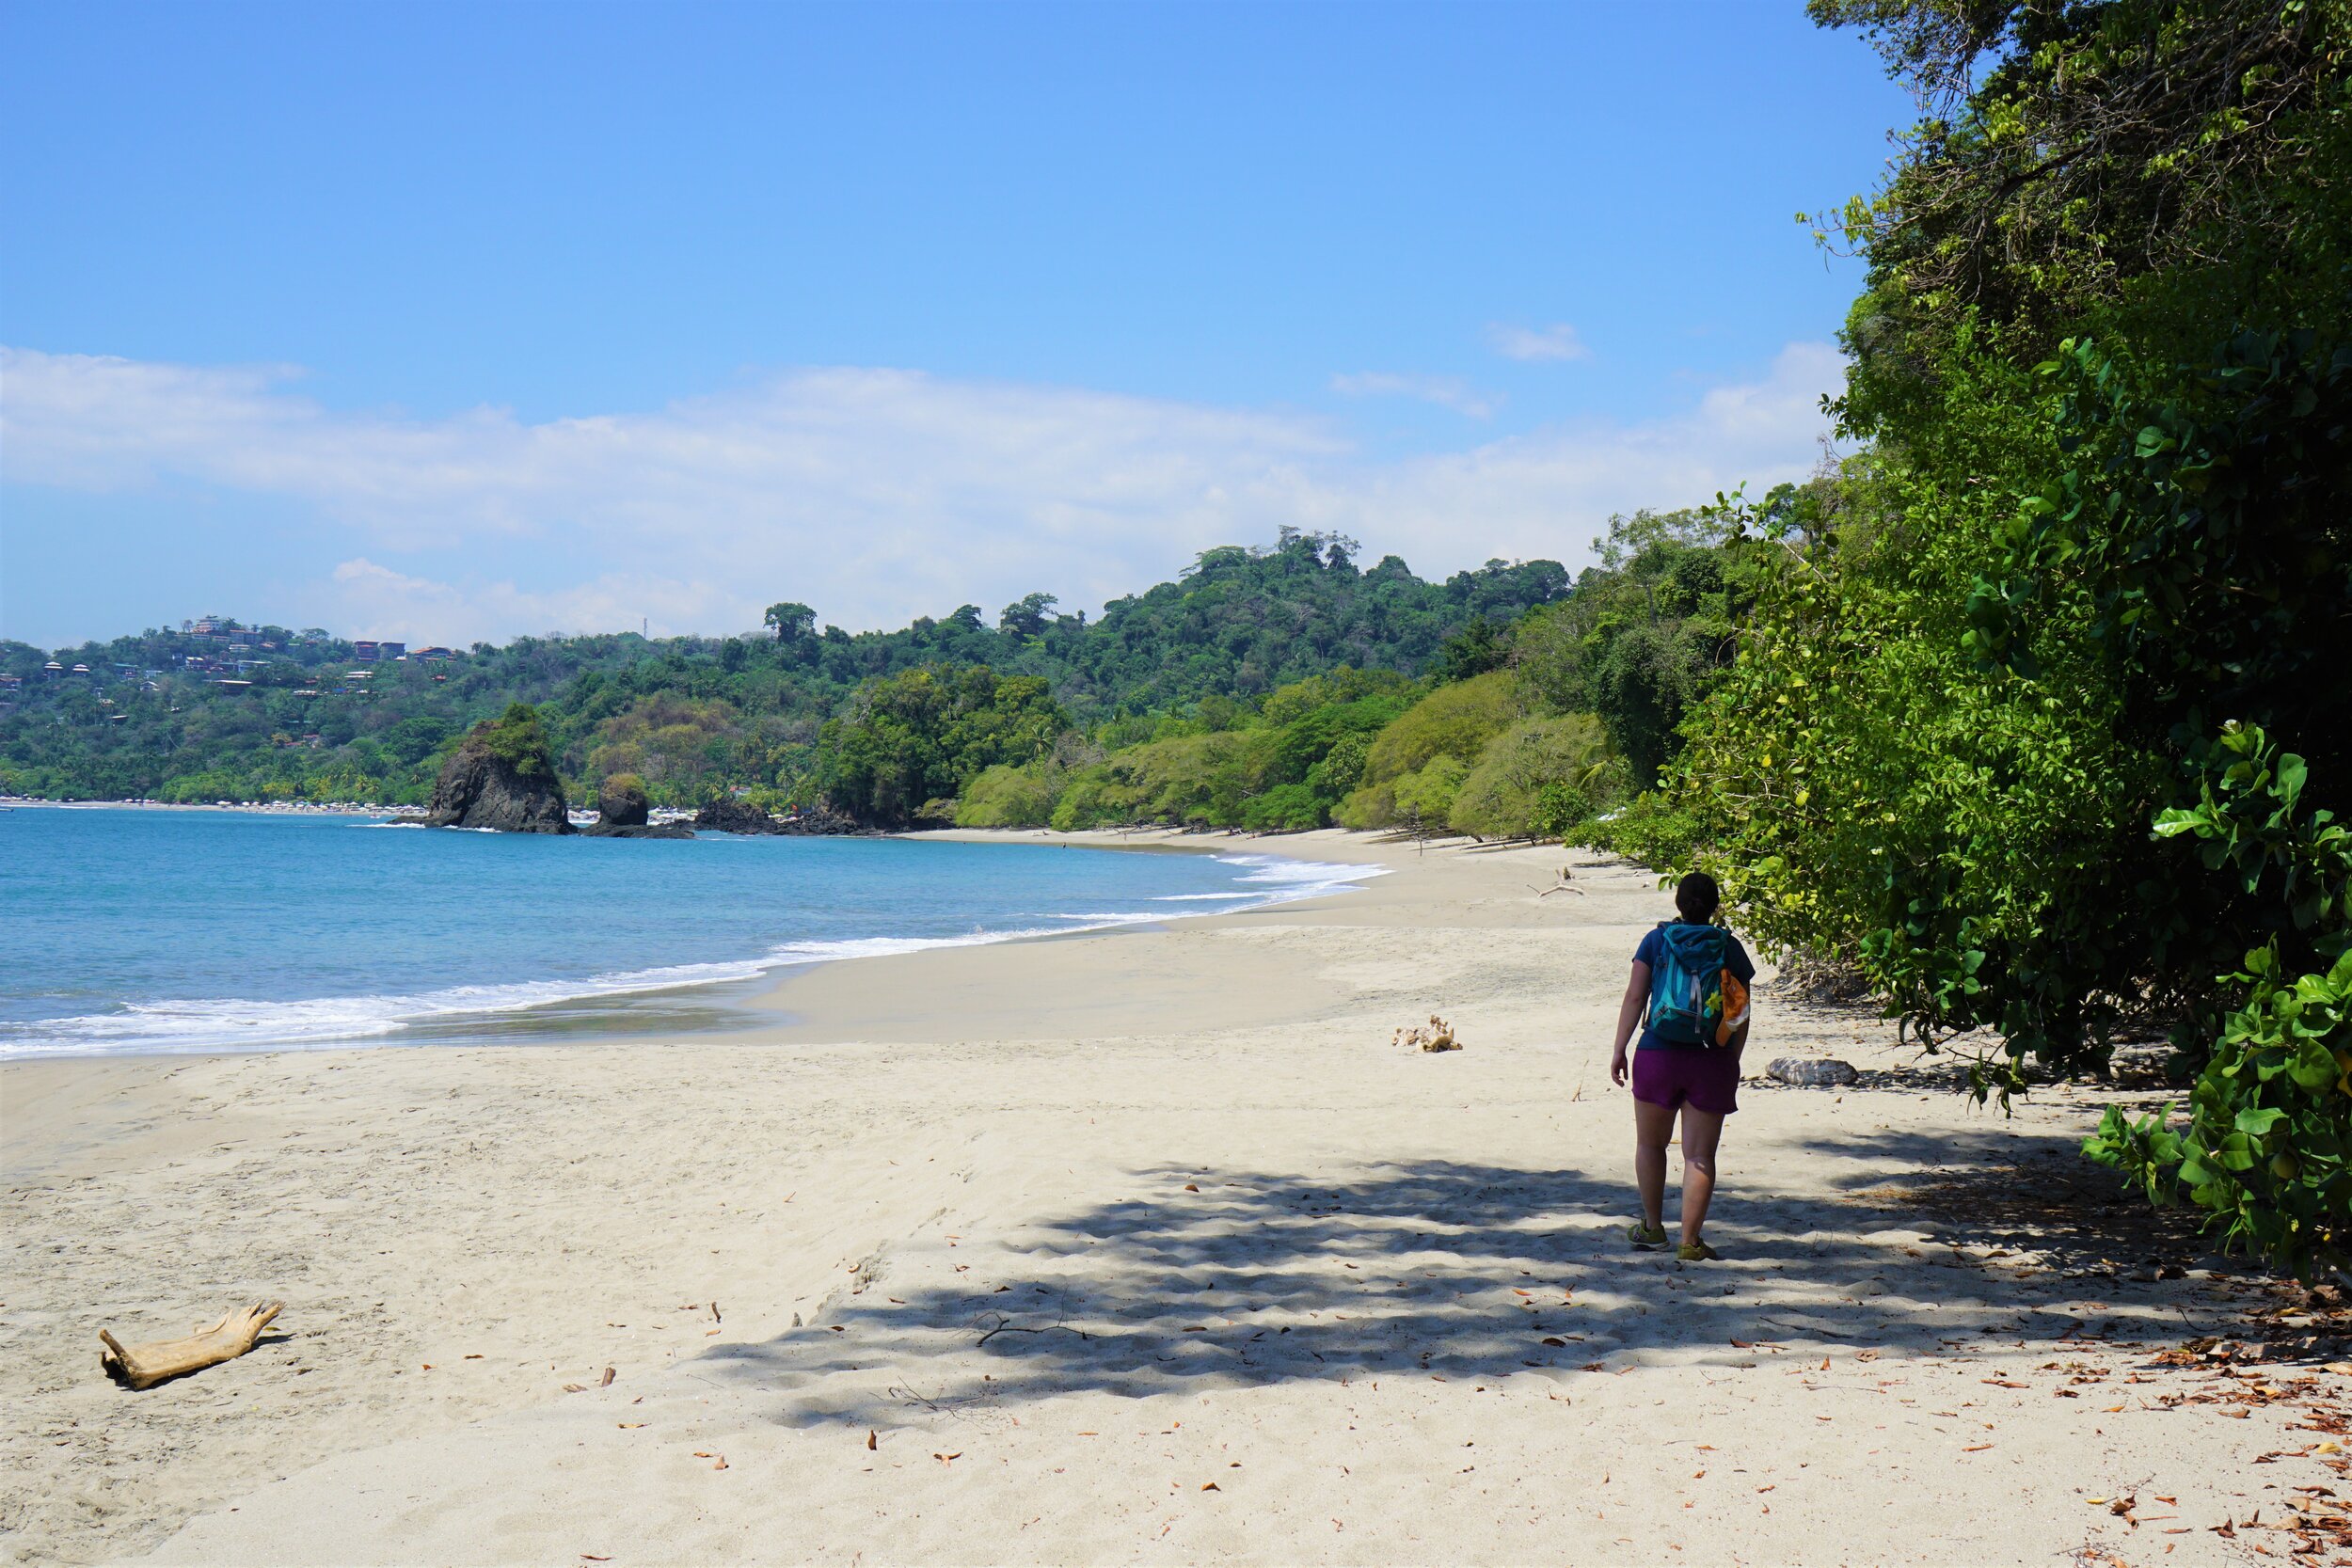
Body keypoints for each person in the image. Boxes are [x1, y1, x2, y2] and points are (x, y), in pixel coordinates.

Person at [1609, 870, 1754, 1261]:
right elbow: (1739, 1013)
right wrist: (1731, 1061)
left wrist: (1620, 1048)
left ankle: (1653, 1229)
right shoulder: (1730, 947)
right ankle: (1690, 1242)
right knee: (1699, 1157)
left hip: (1658, 1053)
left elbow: (1635, 997)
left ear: (1678, 902)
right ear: (1715, 906)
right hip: (1711, 1058)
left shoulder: (1656, 940)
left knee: (1650, 1145)